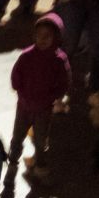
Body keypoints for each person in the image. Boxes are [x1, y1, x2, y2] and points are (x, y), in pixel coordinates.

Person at [8, 14, 70, 177]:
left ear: (56, 37)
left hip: (43, 107)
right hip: (24, 104)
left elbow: (64, 81)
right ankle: (13, 159)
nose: (42, 40)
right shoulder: (27, 55)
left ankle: (40, 163)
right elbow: (17, 73)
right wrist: (18, 87)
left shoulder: (59, 59)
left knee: (41, 139)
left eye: (47, 36)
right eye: (39, 35)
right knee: (18, 135)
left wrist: (55, 96)